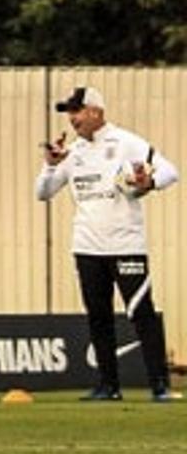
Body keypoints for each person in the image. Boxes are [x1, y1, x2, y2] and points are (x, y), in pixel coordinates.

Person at [35, 85, 177, 402]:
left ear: (96, 112)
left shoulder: (126, 142)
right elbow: (42, 193)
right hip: (87, 248)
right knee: (98, 317)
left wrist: (148, 182)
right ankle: (108, 386)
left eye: (77, 111)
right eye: (69, 113)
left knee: (141, 314)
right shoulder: (72, 153)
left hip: (126, 245)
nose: (72, 119)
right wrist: (51, 164)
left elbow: (171, 171)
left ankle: (160, 386)